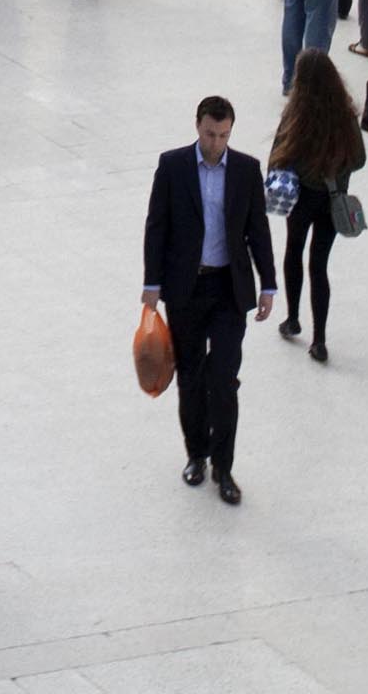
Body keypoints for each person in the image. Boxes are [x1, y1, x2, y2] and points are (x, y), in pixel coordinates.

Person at [139, 96, 276, 501]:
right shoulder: (173, 166)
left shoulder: (247, 170)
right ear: (197, 127)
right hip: (186, 288)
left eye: (223, 135)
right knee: (192, 376)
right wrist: (152, 282)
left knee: (225, 380)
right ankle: (196, 453)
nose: (216, 143)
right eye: (209, 134)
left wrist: (268, 284)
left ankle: (224, 466)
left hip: (228, 288)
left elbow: (258, 231)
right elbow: (156, 226)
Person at [263, 51, 364, 360]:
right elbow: (359, 158)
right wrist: (336, 173)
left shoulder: (296, 115)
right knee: (319, 265)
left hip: (301, 200)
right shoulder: (345, 116)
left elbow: (276, 158)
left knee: (294, 251)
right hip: (332, 202)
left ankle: (292, 318)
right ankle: (319, 339)